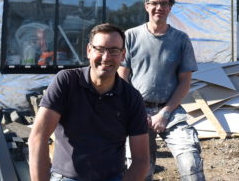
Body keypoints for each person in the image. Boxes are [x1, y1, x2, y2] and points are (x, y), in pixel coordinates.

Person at [29, 23, 150, 181]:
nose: (106, 57)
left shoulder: (132, 98)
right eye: (100, 49)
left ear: (123, 55)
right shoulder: (66, 82)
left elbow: (141, 160)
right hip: (67, 177)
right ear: (89, 51)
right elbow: (38, 137)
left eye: (113, 50)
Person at [119, 0, 205, 181]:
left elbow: (185, 82)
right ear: (146, 6)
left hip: (172, 112)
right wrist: (135, 111)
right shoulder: (131, 36)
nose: (159, 7)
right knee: (139, 169)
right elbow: (122, 79)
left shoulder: (181, 39)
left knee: (190, 161)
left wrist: (164, 113)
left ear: (170, 7)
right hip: (137, 111)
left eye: (164, 3)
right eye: (155, 3)